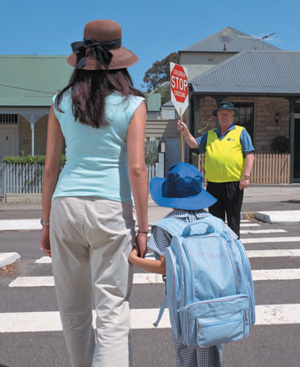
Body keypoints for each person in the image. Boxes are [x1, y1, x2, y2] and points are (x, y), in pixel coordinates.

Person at [40, 19, 149, 367]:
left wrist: (45, 222)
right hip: (110, 209)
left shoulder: (60, 102)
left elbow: (49, 168)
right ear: (119, 60)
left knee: (72, 309)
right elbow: (136, 169)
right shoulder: (134, 104)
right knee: (112, 308)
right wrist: (144, 229)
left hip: (65, 207)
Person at [129, 162, 239, 367]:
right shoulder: (216, 223)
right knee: (211, 349)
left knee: (185, 349)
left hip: (183, 302)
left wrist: (134, 258)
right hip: (216, 298)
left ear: (170, 196)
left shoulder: (165, 227)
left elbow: (164, 267)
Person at [177, 102, 255, 237]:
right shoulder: (210, 135)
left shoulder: (241, 132)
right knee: (214, 221)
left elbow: (250, 154)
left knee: (233, 220)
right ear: (217, 116)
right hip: (213, 185)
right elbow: (194, 143)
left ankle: (233, 249)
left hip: (233, 184)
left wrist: (246, 176)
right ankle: (218, 248)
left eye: (227, 113)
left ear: (233, 115)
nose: (223, 116)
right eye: (220, 113)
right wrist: (185, 132)